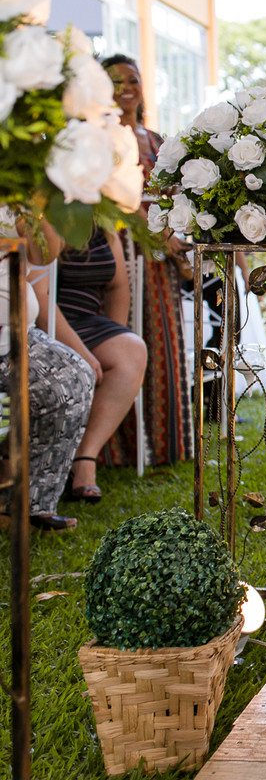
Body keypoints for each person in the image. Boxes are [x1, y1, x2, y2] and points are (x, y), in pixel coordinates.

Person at [100, 54, 192, 466]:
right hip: (117, 248)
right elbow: (108, 194)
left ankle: (164, 444)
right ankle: (116, 450)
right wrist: (154, 228)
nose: (125, 87)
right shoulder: (97, 137)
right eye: (115, 81)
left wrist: (173, 234)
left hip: (160, 255)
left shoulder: (158, 141)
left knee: (165, 343)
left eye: (132, 79)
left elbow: (174, 196)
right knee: (122, 337)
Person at [35, 228, 146, 504]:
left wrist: (115, 332)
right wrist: (81, 352)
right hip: (49, 322)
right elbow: (39, 292)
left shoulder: (104, 226)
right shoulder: (45, 217)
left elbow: (118, 286)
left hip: (89, 321)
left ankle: (85, 457)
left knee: (132, 351)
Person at [1, 222, 95, 531]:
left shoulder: (18, 186)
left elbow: (45, 256)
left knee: (76, 376)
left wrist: (36, 215)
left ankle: (33, 503)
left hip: (19, 333)